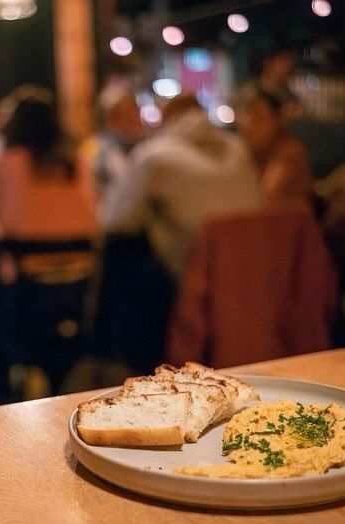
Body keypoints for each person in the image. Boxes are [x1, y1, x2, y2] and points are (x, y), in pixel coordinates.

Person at [98, 93, 261, 373]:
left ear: (167, 117)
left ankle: (135, 366)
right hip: (249, 279)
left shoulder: (154, 155)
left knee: (120, 254)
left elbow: (114, 220)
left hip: (187, 287)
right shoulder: (239, 149)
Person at [0, 91, 98, 393]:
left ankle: (21, 372)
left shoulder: (4, 164)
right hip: (81, 273)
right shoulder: (79, 162)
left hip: (28, 276)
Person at [237, 89, 315, 205]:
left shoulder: (289, 155)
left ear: (277, 121)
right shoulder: (245, 153)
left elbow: (267, 199)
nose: (248, 126)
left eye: (257, 118)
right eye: (244, 118)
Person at [85, 82, 146, 205]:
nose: (133, 118)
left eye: (134, 111)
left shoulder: (148, 144)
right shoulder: (94, 148)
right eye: (124, 113)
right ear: (108, 119)